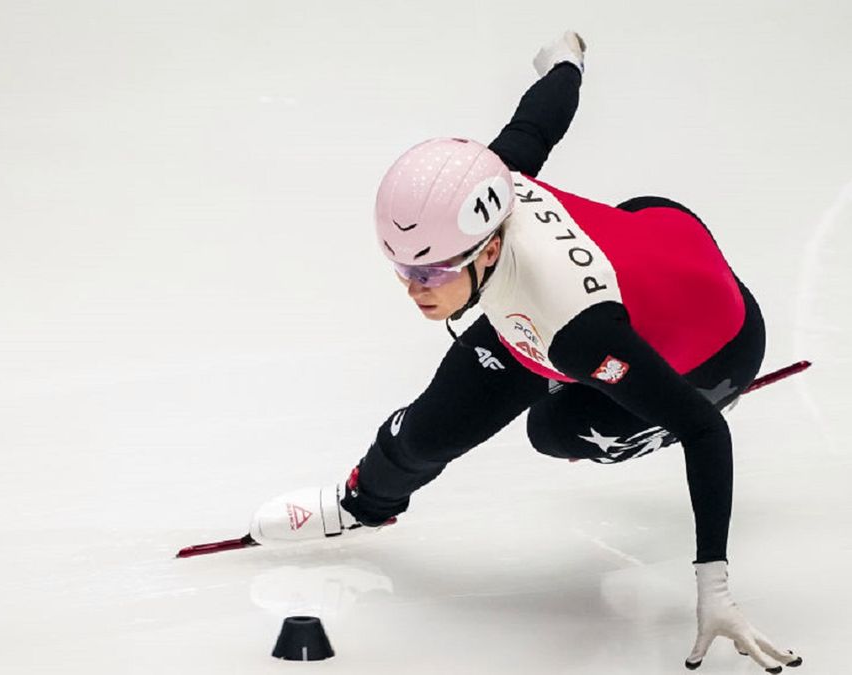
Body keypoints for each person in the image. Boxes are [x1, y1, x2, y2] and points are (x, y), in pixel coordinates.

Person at [248, 32, 802, 673]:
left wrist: (715, 589)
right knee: (429, 429)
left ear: (485, 251)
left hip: (719, 345)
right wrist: (567, 61)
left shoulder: (578, 331)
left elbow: (704, 432)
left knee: (556, 428)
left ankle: (666, 391)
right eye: (401, 268)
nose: (413, 289)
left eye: (430, 274)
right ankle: (363, 504)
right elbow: (538, 119)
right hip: (647, 243)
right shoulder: (491, 185)